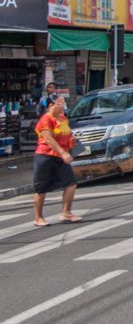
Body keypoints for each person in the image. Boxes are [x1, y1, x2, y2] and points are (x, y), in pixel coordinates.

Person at [31, 94, 81, 227]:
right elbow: (49, 139)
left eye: (63, 103)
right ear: (50, 106)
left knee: (71, 183)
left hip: (61, 156)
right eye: (59, 103)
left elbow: (67, 134)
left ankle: (66, 212)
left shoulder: (63, 118)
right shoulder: (45, 119)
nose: (62, 106)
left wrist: (73, 145)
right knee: (41, 188)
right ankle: (38, 217)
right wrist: (63, 153)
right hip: (45, 156)